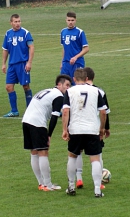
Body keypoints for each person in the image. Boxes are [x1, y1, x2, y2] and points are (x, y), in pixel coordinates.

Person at [62, 68, 107, 198]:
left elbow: (65, 112)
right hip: (92, 129)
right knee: (95, 159)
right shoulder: (96, 91)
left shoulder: (69, 91)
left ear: (74, 79)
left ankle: (71, 186)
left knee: (72, 156)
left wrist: (65, 129)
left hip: (75, 129)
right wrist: (102, 128)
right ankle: (97, 190)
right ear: (87, 79)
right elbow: (103, 112)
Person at [22, 74, 72, 191]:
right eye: (67, 85)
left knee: (34, 152)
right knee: (43, 152)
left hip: (26, 121)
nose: (68, 88)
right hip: (37, 123)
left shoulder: (46, 91)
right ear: (59, 85)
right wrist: (49, 135)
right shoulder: (59, 96)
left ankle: (41, 183)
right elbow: (54, 117)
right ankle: (48, 185)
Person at [75, 67, 111, 189]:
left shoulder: (73, 90)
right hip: (93, 127)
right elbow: (105, 112)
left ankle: (78, 179)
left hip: (77, 126)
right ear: (92, 77)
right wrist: (106, 128)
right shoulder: (99, 91)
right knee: (97, 155)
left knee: (77, 153)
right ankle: (98, 183)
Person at [2, 14, 34, 117]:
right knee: (8, 87)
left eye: (19, 21)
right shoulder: (8, 34)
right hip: (12, 65)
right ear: (11, 23)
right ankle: (14, 111)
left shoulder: (25, 33)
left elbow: (31, 47)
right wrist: (3, 63)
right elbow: (5, 49)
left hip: (23, 63)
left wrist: (29, 62)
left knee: (25, 86)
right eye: (15, 22)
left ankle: (30, 109)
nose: (18, 23)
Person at [60, 11, 89, 85]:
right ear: (66, 20)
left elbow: (86, 48)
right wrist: (62, 62)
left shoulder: (80, 32)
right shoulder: (63, 31)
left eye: (72, 20)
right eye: (69, 20)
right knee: (63, 85)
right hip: (66, 64)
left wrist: (75, 57)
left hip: (77, 63)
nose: (70, 22)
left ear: (75, 20)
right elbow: (64, 48)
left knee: (77, 85)